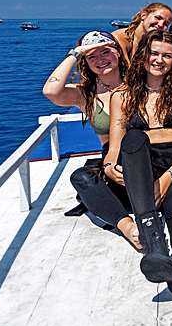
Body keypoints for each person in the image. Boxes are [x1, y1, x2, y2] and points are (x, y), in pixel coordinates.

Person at [103, 30, 172, 296]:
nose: (159, 60)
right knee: (133, 139)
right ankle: (153, 241)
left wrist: (167, 178)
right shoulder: (122, 95)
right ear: (143, 56)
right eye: (154, 53)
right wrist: (109, 166)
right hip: (142, 164)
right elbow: (115, 147)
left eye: (167, 55)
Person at [43, 31, 139, 248]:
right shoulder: (85, 94)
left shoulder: (138, 84)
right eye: (92, 56)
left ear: (118, 53)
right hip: (113, 162)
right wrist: (76, 53)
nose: (100, 59)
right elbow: (51, 91)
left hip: (144, 154)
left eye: (106, 52)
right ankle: (126, 226)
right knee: (81, 178)